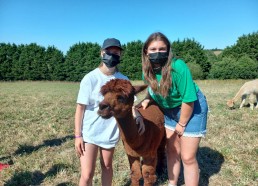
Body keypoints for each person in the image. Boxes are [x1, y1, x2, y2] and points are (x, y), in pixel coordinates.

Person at [140, 32, 208, 186]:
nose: (157, 53)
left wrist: (182, 123)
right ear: (146, 51)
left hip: (191, 108)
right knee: (172, 151)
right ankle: (172, 183)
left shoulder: (178, 67)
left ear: (168, 50)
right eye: (153, 49)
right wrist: (147, 99)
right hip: (169, 111)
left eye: (162, 49)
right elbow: (152, 88)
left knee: (187, 156)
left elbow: (189, 98)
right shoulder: (147, 69)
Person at [74, 38, 144, 186]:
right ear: (102, 53)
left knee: (107, 166)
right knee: (87, 174)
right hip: (90, 132)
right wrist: (78, 135)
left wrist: (138, 116)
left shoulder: (123, 80)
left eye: (116, 52)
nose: (112, 55)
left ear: (120, 55)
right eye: (108, 52)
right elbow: (80, 108)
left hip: (110, 132)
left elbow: (131, 104)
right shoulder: (90, 78)